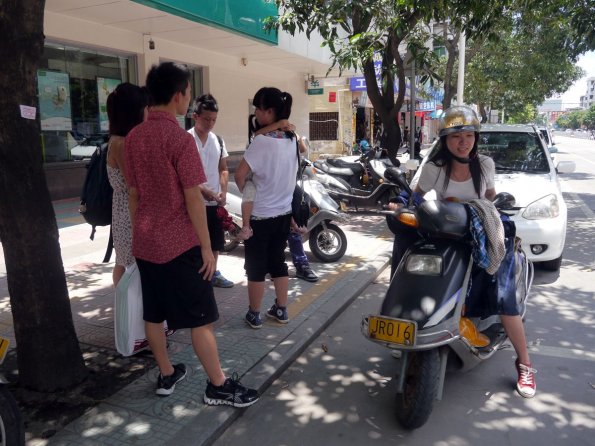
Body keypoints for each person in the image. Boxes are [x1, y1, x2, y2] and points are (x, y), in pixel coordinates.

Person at [124, 61, 258, 406]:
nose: (188, 99)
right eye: (187, 92)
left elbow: (134, 193)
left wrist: (139, 235)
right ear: (178, 95)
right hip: (180, 243)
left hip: (146, 241)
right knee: (202, 319)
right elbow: (192, 198)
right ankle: (218, 385)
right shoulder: (179, 139)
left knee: (153, 313)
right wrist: (207, 248)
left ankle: (167, 373)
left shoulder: (134, 137)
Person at [387, 105, 537, 399]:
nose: (463, 141)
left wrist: (488, 212)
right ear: (444, 140)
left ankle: (525, 364)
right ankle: (406, 321)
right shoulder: (433, 168)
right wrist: (400, 203)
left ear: (475, 139)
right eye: (456, 136)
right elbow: (415, 197)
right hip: (447, 233)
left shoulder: (485, 164)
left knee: (505, 295)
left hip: (482, 234)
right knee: (410, 250)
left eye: (469, 135)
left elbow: (489, 200)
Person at [234, 87, 298, 329]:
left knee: (256, 267)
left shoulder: (260, 142)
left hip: (259, 215)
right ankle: (281, 309)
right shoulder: (291, 138)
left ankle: (254, 313)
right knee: (278, 262)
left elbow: (240, 175)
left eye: (258, 109)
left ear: (269, 111)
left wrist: (248, 190)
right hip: (283, 213)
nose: (256, 113)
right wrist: (280, 124)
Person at [248, 117, 319, 283]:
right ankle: (262, 266)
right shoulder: (262, 137)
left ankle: (300, 265)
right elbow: (256, 137)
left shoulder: (289, 135)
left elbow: (301, 148)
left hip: (288, 188)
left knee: (293, 228)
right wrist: (278, 127)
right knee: (266, 234)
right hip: (268, 193)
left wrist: (292, 132)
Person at [188, 94, 234, 288]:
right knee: (194, 242)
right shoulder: (186, 140)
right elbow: (184, 176)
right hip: (192, 201)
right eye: (206, 119)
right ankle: (194, 276)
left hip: (213, 202)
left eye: (214, 119)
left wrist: (223, 191)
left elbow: (223, 168)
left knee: (215, 242)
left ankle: (212, 272)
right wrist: (204, 190)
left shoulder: (219, 141)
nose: (210, 123)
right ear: (195, 116)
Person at [105, 83, 148, 286]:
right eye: (145, 107)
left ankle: (126, 311)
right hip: (129, 213)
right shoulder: (121, 143)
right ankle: (126, 310)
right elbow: (135, 185)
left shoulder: (122, 140)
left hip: (126, 210)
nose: (148, 111)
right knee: (128, 264)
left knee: (124, 262)